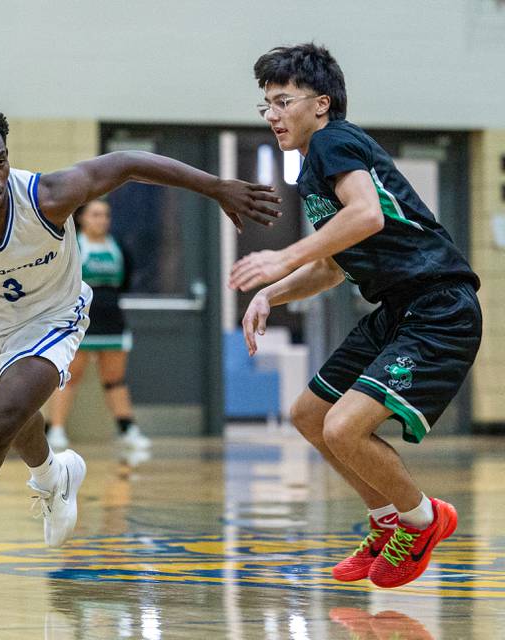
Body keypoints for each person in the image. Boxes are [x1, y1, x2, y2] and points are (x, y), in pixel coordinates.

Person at [0, 98, 280, 584]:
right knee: (18, 419)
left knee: (1, 419)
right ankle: (52, 477)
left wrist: (214, 186)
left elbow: (127, 164)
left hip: (55, 317)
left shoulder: (46, 195)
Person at [231, 44, 482, 589]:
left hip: (439, 307)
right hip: (396, 308)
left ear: (320, 104)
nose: (271, 114)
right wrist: (268, 295)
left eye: (281, 101)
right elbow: (330, 268)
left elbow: (365, 215)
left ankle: (422, 519)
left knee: (344, 427)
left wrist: (282, 254)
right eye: (264, 106)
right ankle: (386, 519)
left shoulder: (334, 140)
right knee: (309, 415)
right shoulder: (314, 169)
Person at [47, 199, 149, 452]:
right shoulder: (71, 247)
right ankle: (56, 430)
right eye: (95, 215)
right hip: (79, 319)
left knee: (115, 378)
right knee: (69, 376)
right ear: (82, 218)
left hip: (112, 319)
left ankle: (127, 429)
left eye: (105, 215)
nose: (101, 220)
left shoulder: (118, 247)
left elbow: (125, 281)